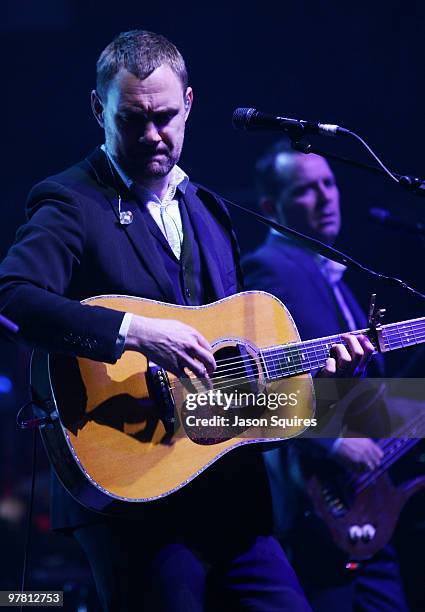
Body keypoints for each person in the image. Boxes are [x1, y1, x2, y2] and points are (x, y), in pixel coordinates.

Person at [0, 31, 373, 611]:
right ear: (99, 110)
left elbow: (220, 378)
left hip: (232, 499)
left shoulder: (209, 209)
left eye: (167, 116)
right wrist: (134, 332)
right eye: (133, 119)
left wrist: (309, 374)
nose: (153, 134)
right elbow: (12, 297)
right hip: (134, 500)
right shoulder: (70, 201)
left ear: (191, 104)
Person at [242, 140, 408, 611]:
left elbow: (366, 384)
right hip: (319, 499)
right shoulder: (270, 268)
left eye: (329, 184)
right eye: (307, 191)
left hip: (368, 499)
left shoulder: (331, 271)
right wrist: (333, 442)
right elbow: (267, 384)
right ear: (272, 207)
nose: (326, 198)